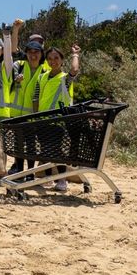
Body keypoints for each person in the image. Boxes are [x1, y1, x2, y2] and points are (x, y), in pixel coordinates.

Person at [33, 45, 81, 191]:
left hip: (58, 121)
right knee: (45, 151)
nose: (53, 61)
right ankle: (48, 179)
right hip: (42, 120)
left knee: (57, 151)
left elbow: (74, 70)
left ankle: (61, 180)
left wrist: (75, 55)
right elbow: (36, 98)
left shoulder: (64, 79)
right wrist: (35, 118)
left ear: (61, 60)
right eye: (50, 59)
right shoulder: (41, 77)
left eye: (56, 58)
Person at [12, 39, 50, 117]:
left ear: (42, 54)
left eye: (36, 52)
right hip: (12, 115)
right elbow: (8, 82)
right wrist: (16, 81)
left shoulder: (46, 71)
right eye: (30, 52)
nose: (33, 55)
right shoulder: (18, 65)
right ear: (26, 53)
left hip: (31, 117)